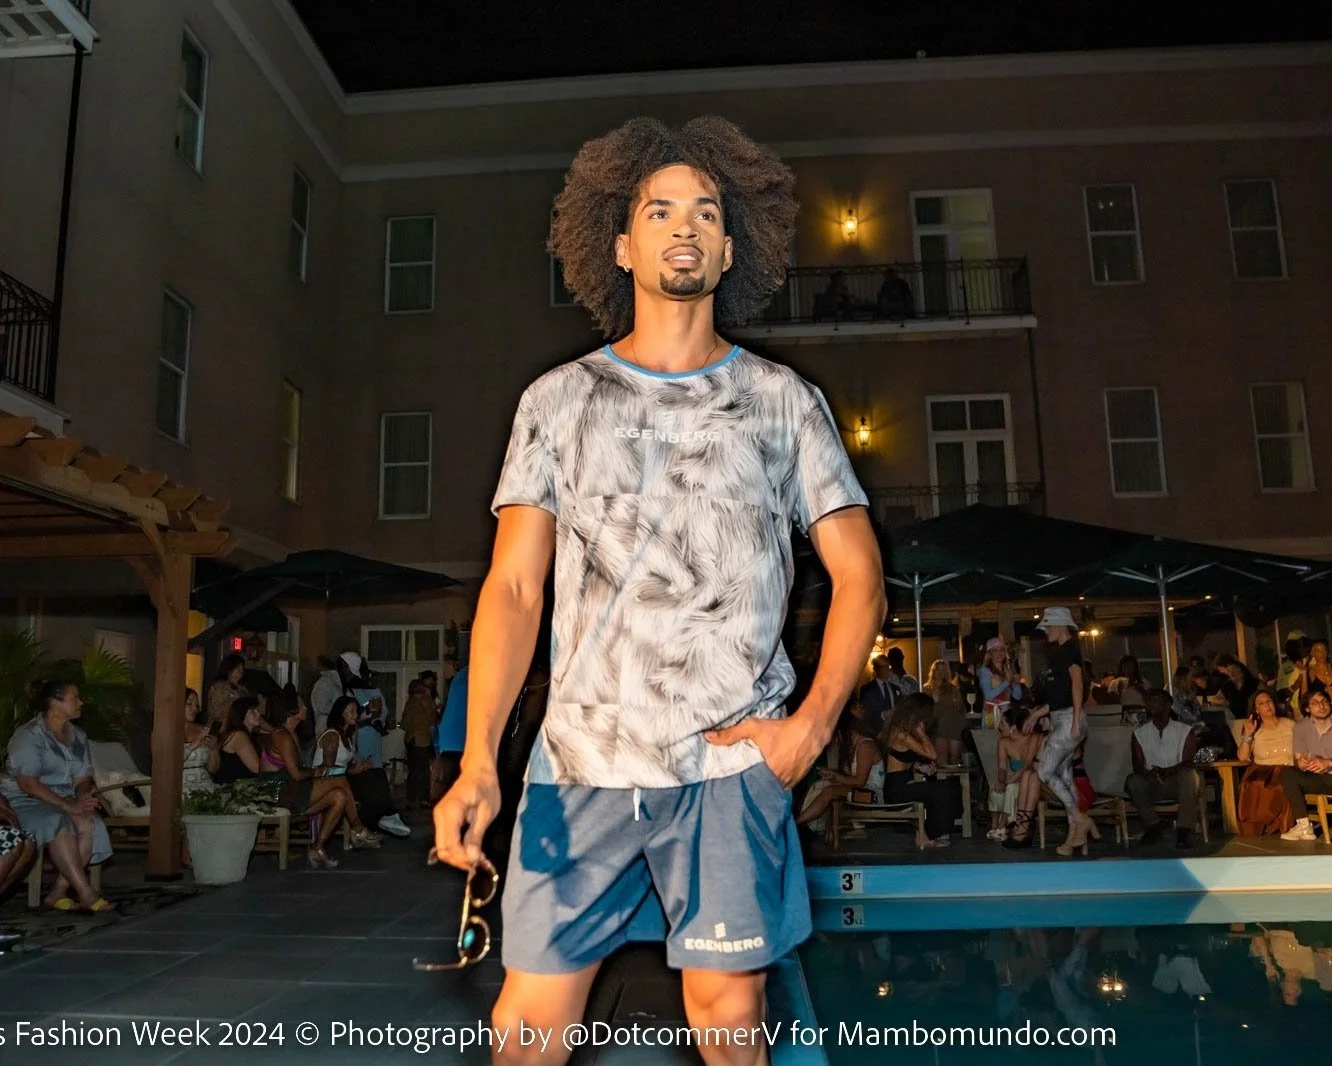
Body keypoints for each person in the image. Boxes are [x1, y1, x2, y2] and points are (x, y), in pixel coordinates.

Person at [432, 116, 885, 1066]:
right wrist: (478, 760)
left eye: (707, 213)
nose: (686, 225)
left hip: (727, 769)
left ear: (730, 250)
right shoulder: (558, 400)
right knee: (527, 1032)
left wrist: (809, 729)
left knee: (730, 1022)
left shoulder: (783, 402)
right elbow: (513, 589)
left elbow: (861, 578)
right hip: (580, 765)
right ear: (622, 246)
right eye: (660, 210)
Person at [2, 681, 114, 911]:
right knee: (57, 821)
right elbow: (28, 783)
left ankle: (58, 892)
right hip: (25, 800)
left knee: (89, 822)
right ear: (55, 702)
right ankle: (86, 892)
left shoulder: (78, 736)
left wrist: (82, 798)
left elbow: (82, 778)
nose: (81, 702)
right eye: (75, 698)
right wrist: (68, 806)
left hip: (64, 800)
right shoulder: (29, 735)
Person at [216, 696, 358, 867]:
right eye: (302, 705)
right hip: (279, 790)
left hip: (289, 787)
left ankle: (318, 847)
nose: (306, 708)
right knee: (339, 780)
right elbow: (296, 774)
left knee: (339, 796)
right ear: (292, 710)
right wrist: (315, 771)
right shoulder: (282, 735)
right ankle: (358, 828)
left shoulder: (289, 734)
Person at [1023, 607, 1099, 856]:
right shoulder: (1063, 652)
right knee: (1065, 778)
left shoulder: (1068, 651)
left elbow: (1077, 685)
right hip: (1062, 718)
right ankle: (1075, 837)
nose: (1045, 631)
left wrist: (1076, 720)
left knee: (1045, 771)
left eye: (1048, 626)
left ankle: (1080, 818)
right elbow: (1060, 697)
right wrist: (1037, 714)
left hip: (1068, 720)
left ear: (1060, 626)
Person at [879, 693, 958, 847]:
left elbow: (903, 758)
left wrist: (923, 767)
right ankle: (933, 833)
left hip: (905, 782)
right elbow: (932, 754)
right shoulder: (900, 733)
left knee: (949, 786)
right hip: (896, 789)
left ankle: (926, 833)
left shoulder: (905, 732)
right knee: (941, 790)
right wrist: (921, 733)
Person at [1125, 689, 1201, 848]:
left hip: (1177, 782)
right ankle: (1153, 826)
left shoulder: (1184, 730)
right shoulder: (1139, 733)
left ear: (1168, 704)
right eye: (1149, 701)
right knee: (1133, 781)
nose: (1151, 704)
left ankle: (1184, 830)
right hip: (1153, 783)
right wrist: (1149, 773)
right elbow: (1137, 765)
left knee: (1189, 775)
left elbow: (1189, 761)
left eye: (1155, 700)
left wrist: (1169, 770)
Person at [795, 702, 884, 834]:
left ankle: (797, 824)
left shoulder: (865, 746)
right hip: (859, 792)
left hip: (872, 796)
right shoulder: (851, 747)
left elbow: (860, 782)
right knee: (822, 785)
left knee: (829, 791)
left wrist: (835, 776)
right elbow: (849, 778)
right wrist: (831, 775)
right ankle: (809, 826)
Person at [1233, 689, 1295, 836]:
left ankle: (1282, 824)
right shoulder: (1253, 728)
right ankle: (1260, 825)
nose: (1266, 705)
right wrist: (1248, 735)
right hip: (1262, 771)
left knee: (1284, 783)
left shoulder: (1290, 724)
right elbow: (1242, 757)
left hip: (1288, 768)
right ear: (1256, 709)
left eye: (1268, 701)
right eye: (1261, 703)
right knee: (1254, 784)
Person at [1279, 687, 1332, 841]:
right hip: (1320, 779)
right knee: (1288, 772)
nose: (1321, 706)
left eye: (1324, 701)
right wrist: (1302, 763)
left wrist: (1328, 763)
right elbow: (1299, 758)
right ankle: (1304, 826)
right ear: (1307, 708)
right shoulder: (1301, 727)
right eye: (1315, 703)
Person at [988, 706, 1040, 841]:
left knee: (1011, 788)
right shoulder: (1003, 742)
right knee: (995, 789)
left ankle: (1003, 825)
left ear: (1013, 727)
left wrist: (1008, 782)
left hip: (1030, 784)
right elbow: (1002, 768)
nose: (999, 727)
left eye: (1002, 723)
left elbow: (1027, 766)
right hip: (1015, 780)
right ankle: (994, 827)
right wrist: (1001, 781)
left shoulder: (1032, 738)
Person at [400, 679, 437, 809]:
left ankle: (414, 799)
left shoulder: (413, 702)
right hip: (421, 740)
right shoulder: (426, 701)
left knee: (416, 771)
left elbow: (405, 722)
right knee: (422, 770)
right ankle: (421, 799)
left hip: (415, 740)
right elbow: (433, 720)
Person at [923, 659, 963, 766]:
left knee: (953, 758)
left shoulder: (952, 689)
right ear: (933, 671)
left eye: (943, 670)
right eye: (938, 670)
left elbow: (959, 708)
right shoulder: (926, 689)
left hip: (949, 726)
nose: (940, 673)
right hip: (933, 727)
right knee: (940, 759)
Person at [979, 637, 1025, 726]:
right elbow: (988, 696)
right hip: (991, 713)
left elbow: (1017, 696)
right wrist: (1007, 682)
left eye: (1002, 650)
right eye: (995, 650)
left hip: (1007, 714)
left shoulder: (1008, 670)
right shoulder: (985, 671)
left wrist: (1016, 684)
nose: (999, 653)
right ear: (990, 653)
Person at [858, 656, 896, 737]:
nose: (887, 670)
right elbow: (864, 713)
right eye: (883, 667)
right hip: (875, 732)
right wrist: (882, 715)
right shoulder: (867, 689)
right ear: (876, 669)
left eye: (888, 666)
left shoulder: (895, 688)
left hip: (893, 731)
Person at [206, 653, 248, 727]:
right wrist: (233, 699)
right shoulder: (218, 687)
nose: (241, 671)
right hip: (220, 727)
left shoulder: (243, 689)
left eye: (242, 668)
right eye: (238, 668)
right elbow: (216, 713)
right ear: (229, 669)